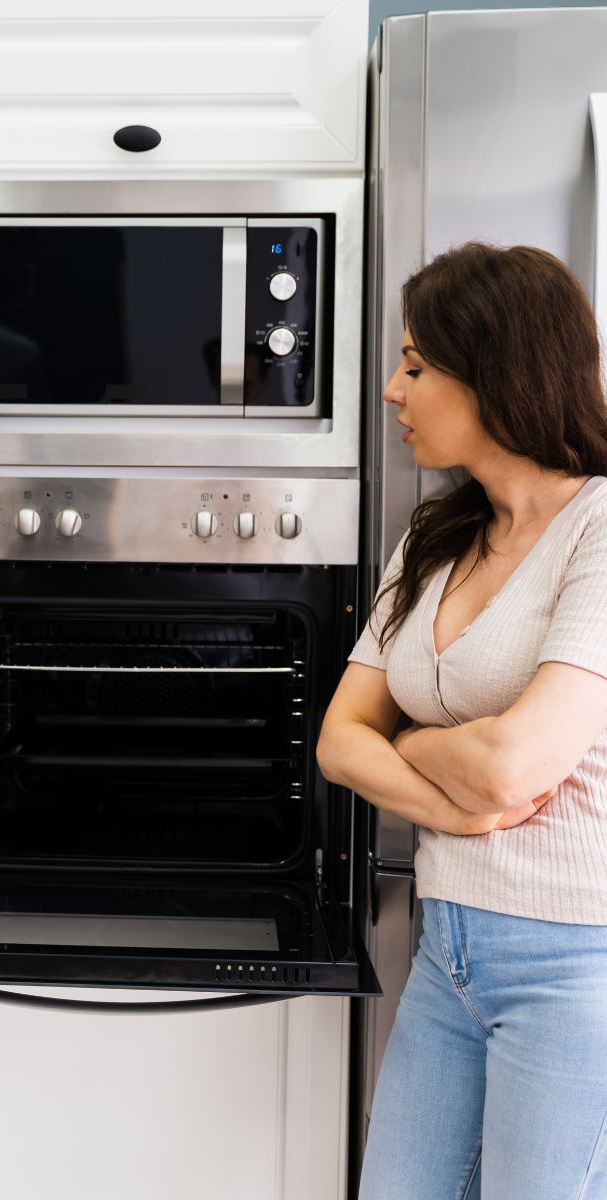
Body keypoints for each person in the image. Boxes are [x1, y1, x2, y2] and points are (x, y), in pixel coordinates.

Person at [317, 242, 607, 1199]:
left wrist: (411, 745)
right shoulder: (436, 538)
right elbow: (335, 739)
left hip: (576, 967)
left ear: (496, 370)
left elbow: (513, 767)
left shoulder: (599, 528)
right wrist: (448, 804)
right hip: (449, 952)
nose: (393, 393)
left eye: (414, 365)